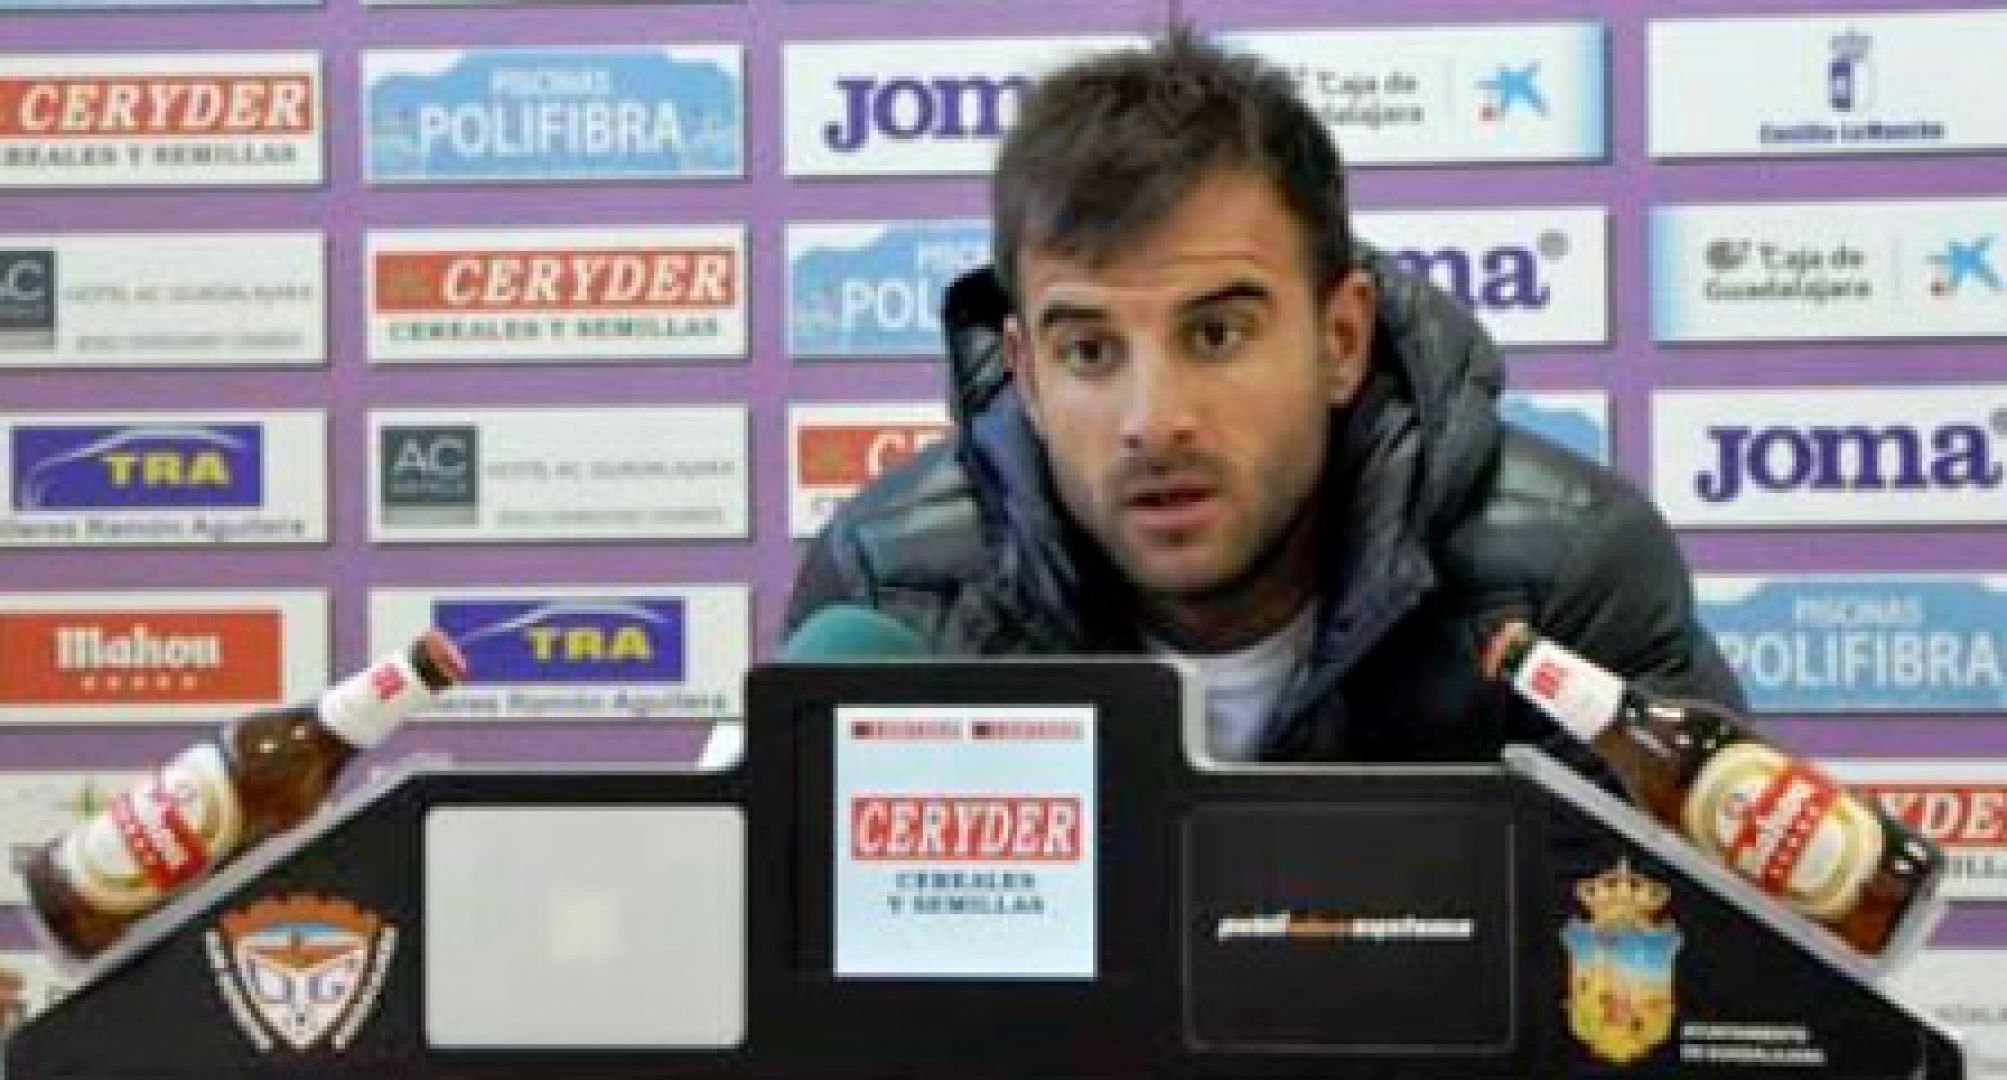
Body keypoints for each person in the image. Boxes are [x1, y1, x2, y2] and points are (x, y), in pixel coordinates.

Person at [784, 27, 1743, 768]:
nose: (1153, 421)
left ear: (1340, 340)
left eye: (1215, 335)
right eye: (1089, 352)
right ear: (1026, 375)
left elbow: (1674, 949)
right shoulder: (893, 598)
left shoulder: (1562, 585)